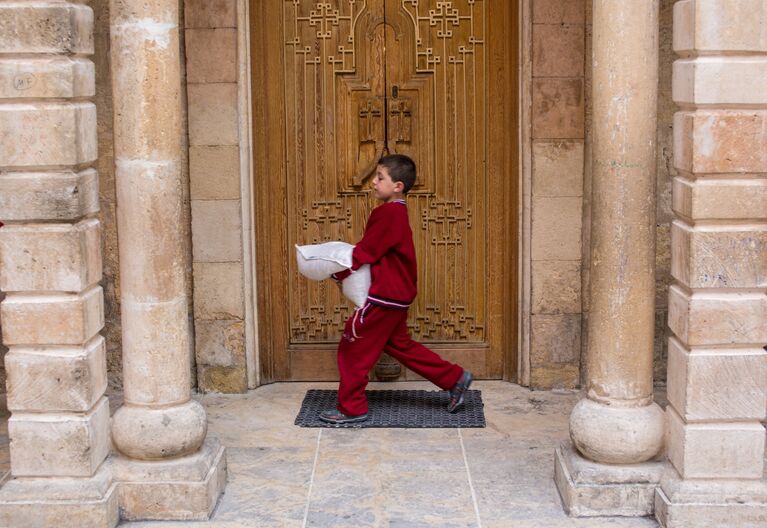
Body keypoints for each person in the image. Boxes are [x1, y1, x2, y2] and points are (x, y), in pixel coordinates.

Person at [320, 154, 473, 424]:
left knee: (352, 348)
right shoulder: (397, 212)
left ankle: (352, 408)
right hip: (397, 295)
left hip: (384, 297)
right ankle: (455, 378)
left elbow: (367, 251)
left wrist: (337, 272)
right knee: (400, 345)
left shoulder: (387, 213)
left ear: (398, 186)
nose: (374, 183)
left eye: (380, 178)